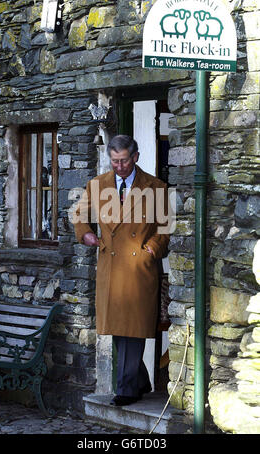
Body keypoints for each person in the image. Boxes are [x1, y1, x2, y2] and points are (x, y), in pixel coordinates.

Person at [73, 134, 170, 406]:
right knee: (119, 328)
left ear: (135, 157)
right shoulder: (98, 185)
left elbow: (165, 227)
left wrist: (152, 247)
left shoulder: (156, 187)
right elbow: (80, 217)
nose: (119, 167)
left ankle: (126, 389)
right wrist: (87, 236)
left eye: (124, 161)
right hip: (111, 266)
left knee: (133, 328)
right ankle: (139, 381)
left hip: (139, 266)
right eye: (114, 161)